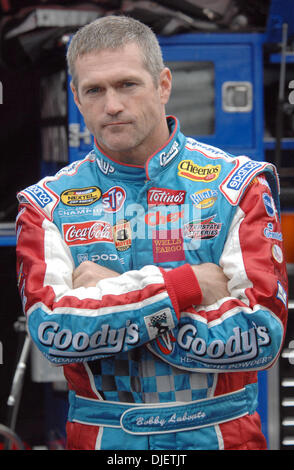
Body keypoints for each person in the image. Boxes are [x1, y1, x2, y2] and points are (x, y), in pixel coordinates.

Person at [15, 15, 288, 451]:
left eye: (127, 84)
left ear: (163, 85)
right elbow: (53, 332)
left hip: (220, 435)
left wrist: (107, 301)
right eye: (95, 90)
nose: (113, 105)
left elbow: (262, 333)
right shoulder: (47, 203)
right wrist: (187, 286)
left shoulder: (236, 185)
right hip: (105, 440)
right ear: (76, 99)